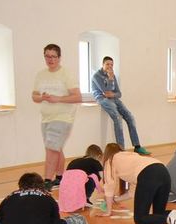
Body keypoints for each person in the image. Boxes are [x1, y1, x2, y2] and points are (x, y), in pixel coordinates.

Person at [96, 143, 176, 224]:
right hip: (163, 171)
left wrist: (108, 211)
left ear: (107, 154)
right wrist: (116, 199)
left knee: (140, 219)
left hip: (148, 174)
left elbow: (109, 185)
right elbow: (133, 192)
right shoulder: (131, 157)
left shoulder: (110, 159)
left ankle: (169, 218)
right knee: (158, 214)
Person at [32, 44, 82, 191]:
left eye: (53, 56)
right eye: (47, 56)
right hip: (46, 117)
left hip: (63, 117)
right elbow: (34, 96)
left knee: (51, 149)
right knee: (56, 148)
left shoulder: (66, 74)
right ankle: (60, 177)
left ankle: (47, 181)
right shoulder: (41, 74)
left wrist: (58, 99)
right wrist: (41, 97)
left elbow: (77, 97)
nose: (50, 59)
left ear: (59, 58)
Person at [91, 56, 150, 155]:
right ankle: (121, 149)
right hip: (103, 99)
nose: (110, 67)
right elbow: (106, 92)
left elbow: (119, 93)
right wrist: (110, 79)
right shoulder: (96, 76)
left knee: (130, 117)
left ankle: (137, 146)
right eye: (107, 64)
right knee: (117, 118)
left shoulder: (113, 75)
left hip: (114, 98)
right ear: (103, 65)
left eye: (111, 65)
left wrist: (113, 94)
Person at [58, 145, 104, 213]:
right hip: (79, 185)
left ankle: (74, 199)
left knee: (85, 178)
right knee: (93, 178)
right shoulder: (95, 162)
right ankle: (85, 198)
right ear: (99, 156)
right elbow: (103, 177)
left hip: (66, 187)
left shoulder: (74, 161)